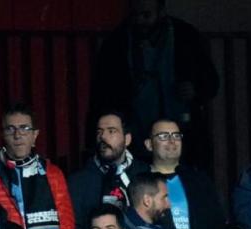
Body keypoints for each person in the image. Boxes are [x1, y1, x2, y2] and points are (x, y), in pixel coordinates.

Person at [89, 0, 220, 153]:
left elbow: (211, 81)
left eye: (146, 15)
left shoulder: (186, 37)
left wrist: (195, 90)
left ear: (161, 12)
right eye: (135, 15)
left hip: (182, 135)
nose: (139, 21)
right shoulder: (117, 43)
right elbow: (102, 93)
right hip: (137, 137)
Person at [0, 102, 75, 229]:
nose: (17, 135)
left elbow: (66, 226)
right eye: (10, 129)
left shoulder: (52, 173)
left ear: (35, 135)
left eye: (24, 128)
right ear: (2, 134)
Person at [139, 119, 223, 229]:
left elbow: (216, 224)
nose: (172, 141)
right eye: (163, 136)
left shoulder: (199, 181)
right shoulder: (139, 182)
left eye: (176, 136)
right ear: (149, 144)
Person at [68, 112, 136, 229]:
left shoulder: (144, 173)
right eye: (100, 132)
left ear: (127, 139)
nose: (103, 137)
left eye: (111, 131)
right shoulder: (77, 182)